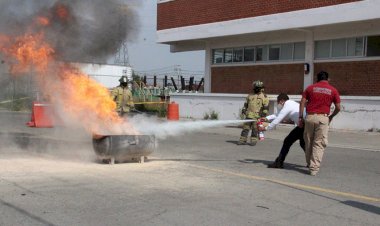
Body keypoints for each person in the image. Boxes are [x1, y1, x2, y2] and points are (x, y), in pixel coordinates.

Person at [299, 71, 341, 176]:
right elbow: (338, 107)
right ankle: (313, 168)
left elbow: (302, 102)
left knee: (308, 141)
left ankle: (309, 163)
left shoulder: (310, 88)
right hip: (323, 118)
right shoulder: (333, 90)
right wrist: (331, 116)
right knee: (319, 143)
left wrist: (301, 117)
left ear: (316, 79)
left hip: (309, 117)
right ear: (328, 79)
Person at [259, 93, 306, 168]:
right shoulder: (291, 104)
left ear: (281, 101)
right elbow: (278, 114)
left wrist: (266, 128)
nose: (278, 104)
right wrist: (267, 118)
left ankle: (279, 163)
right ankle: (312, 162)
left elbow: (278, 119)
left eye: (278, 102)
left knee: (287, 141)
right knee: (303, 143)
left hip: (303, 126)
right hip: (304, 125)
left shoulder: (287, 105)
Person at [238, 80, 269, 146]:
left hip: (257, 116)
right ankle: (242, 140)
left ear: (260, 88)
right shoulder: (250, 95)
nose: (255, 89)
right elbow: (246, 104)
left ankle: (253, 141)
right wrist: (244, 110)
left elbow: (266, 107)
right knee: (245, 128)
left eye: (256, 87)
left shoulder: (264, 97)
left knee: (255, 129)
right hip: (249, 115)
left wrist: (263, 115)